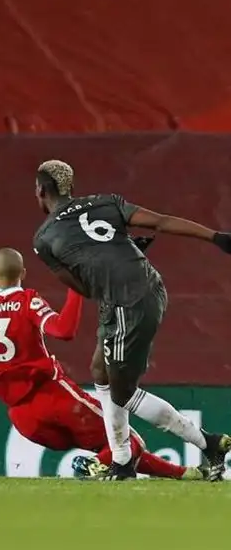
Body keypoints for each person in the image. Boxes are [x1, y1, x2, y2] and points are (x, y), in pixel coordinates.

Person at [0, 248, 203, 480]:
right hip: (53, 396)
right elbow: (64, 330)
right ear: (23, 274)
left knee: (116, 451)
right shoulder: (27, 301)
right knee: (127, 443)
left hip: (23, 419)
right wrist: (75, 290)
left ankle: (185, 474)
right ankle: (90, 468)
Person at [32, 159, 231, 480]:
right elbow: (161, 222)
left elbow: (82, 287)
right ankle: (122, 460)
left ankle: (208, 443)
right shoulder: (105, 202)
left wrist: (103, 267)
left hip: (127, 301)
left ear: (40, 191)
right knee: (100, 369)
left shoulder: (43, 239)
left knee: (122, 392)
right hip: (144, 286)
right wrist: (217, 237)